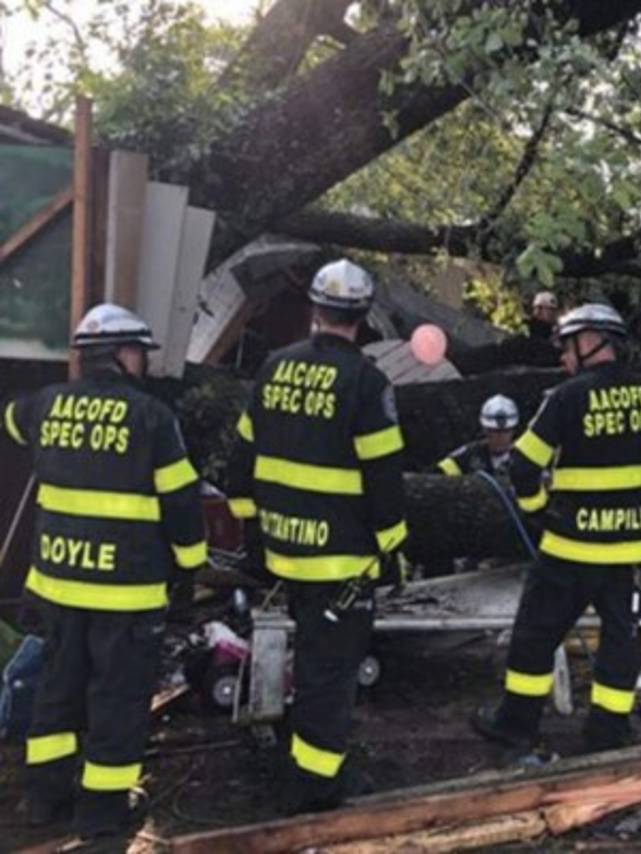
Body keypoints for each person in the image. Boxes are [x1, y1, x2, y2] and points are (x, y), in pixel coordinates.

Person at [2, 304, 207, 838]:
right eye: (138, 351)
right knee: (116, 700)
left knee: (57, 691)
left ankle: (43, 799)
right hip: (126, 592)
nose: (142, 361)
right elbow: (182, 502)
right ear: (118, 355)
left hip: (57, 585)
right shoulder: (153, 419)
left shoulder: (44, 407)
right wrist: (190, 565)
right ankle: (101, 812)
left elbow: (11, 420)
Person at [472, 303, 641, 753]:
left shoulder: (566, 398)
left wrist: (538, 511)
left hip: (568, 551)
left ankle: (516, 725)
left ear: (591, 341)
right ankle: (607, 734)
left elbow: (522, 464)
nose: (562, 357)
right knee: (621, 646)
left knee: (535, 638)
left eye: (566, 346)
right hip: (629, 555)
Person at [226, 258, 408, 814]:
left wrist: (253, 535)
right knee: (330, 676)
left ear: (315, 309)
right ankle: (319, 783)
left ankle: (300, 755)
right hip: (340, 563)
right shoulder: (368, 383)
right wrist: (392, 549)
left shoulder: (272, 367)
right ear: (363, 317)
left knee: (309, 662)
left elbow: (240, 460)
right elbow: (383, 477)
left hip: (285, 551)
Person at [436, 394, 520, 485]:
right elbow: (437, 479)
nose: (500, 437)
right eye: (494, 431)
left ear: (513, 430)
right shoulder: (467, 456)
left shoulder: (523, 458)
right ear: (485, 430)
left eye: (505, 431)